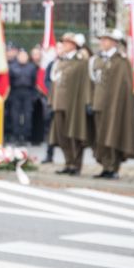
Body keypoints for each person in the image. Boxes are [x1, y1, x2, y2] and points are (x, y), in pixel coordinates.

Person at [89, 29, 134, 179]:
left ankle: (113, 167)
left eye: (106, 40)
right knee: (101, 136)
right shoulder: (97, 59)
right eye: (102, 40)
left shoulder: (121, 61)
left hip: (115, 106)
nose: (102, 43)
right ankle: (105, 166)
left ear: (114, 43)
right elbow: (93, 82)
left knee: (114, 135)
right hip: (99, 104)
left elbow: (124, 86)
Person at [48, 33, 92, 175]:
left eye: (67, 43)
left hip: (74, 104)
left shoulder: (80, 62)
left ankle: (76, 164)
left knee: (74, 134)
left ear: (74, 45)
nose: (64, 45)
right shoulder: (61, 61)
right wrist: (51, 100)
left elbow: (85, 82)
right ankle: (68, 162)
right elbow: (55, 83)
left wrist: (86, 101)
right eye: (63, 42)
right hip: (59, 103)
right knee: (62, 135)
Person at [8, 48, 37, 145]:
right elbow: (10, 82)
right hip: (16, 92)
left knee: (27, 116)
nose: (23, 58)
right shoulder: (12, 67)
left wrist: (33, 95)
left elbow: (34, 82)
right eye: (21, 56)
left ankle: (25, 136)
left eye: (25, 56)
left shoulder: (32, 67)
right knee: (15, 115)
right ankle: (16, 136)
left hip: (27, 92)